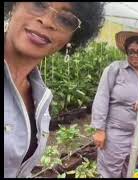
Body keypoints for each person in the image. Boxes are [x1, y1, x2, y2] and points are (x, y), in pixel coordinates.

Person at [4, 2, 105, 177]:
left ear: (72, 38)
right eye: (38, 4)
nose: (47, 21)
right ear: (13, 5)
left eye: (66, 20)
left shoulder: (39, 95)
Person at [91, 31, 138, 178]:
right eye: (132, 51)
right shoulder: (115, 69)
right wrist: (99, 129)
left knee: (129, 171)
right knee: (109, 173)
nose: (136, 55)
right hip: (115, 134)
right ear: (126, 51)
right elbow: (101, 98)